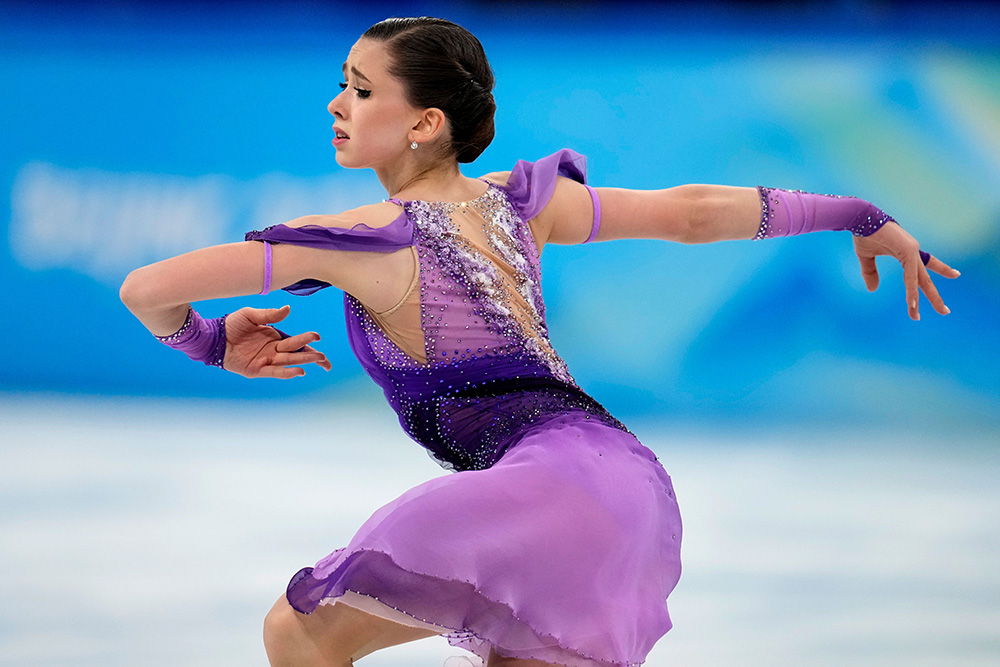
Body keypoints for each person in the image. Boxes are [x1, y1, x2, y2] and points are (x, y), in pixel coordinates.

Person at [119, 16, 960, 667]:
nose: (338, 105)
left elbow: (147, 290)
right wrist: (859, 213)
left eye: (362, 89)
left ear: (425, 122)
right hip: (626, 491)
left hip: (547, 487)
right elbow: (693, 213)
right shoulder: (526, 203)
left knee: (299, 633)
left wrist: (210, 344)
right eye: (341, 84)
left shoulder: (359, 237)